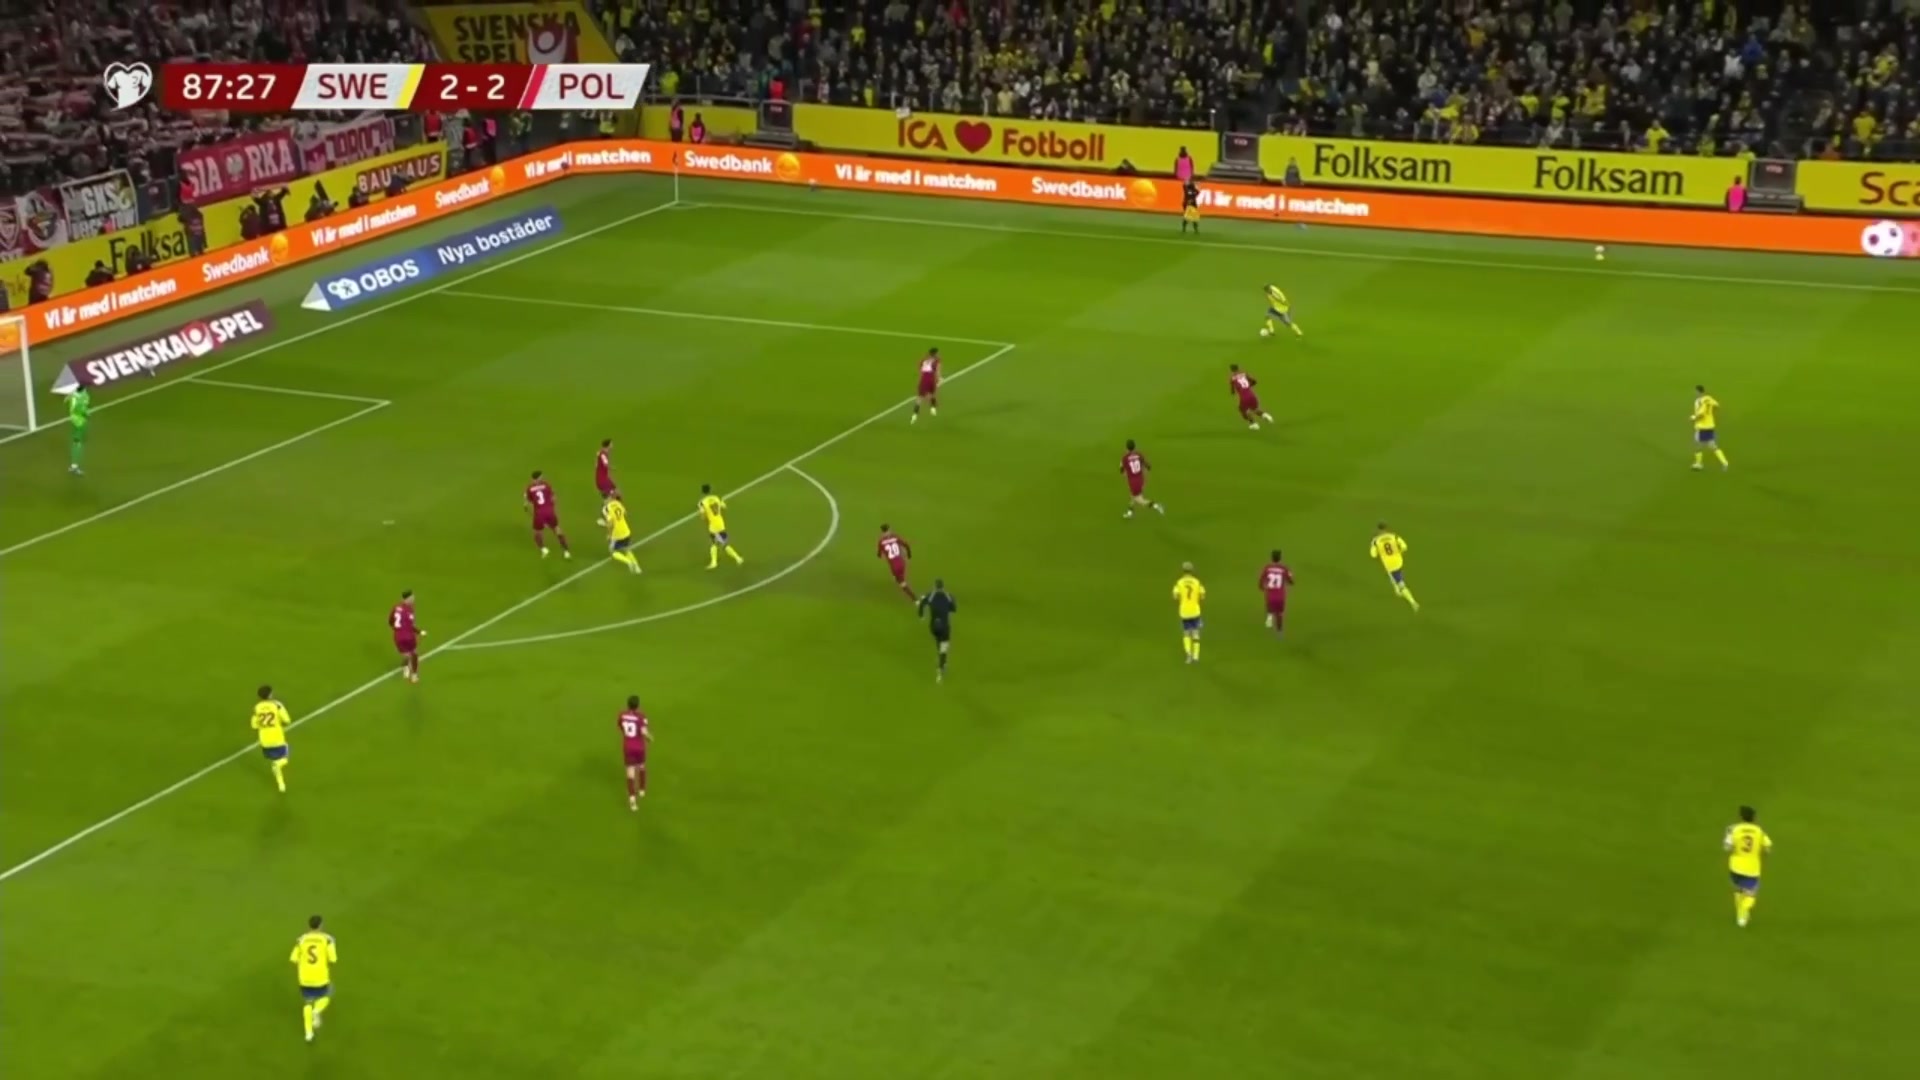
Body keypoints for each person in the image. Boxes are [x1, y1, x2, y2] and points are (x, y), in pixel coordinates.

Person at [291, 916, 338, 1042]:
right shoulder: (327, 940)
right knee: (328, 993)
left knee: (307, 1003)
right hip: (320, 977)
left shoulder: (302, 939)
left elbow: (293, 959)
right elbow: (333, 960)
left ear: (309, 926)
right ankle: (317, 1010)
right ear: (321, 925)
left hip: (304, 978)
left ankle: (309, 1034)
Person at [1724, 806, 1772, 927]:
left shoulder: (1734, 829)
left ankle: (1740, 914)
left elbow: (1727, 847)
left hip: (1735, 866)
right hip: (1751, 868)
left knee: (1739, 889)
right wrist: (1762, 852)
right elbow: (1767, 848)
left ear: (1740, 817)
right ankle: (1743, 912)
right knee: (1751, 893)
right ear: (1754, 818)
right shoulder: (1759, 831)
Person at [251, 685, 291, 793]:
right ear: (270, 695)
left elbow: (254, 725)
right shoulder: (277, 705)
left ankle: (281, 784)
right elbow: (287, 720)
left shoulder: (256, 708)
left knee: (274, 763)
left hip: (264, 741)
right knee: (284, 758)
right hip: (277, 738)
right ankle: (279, 764)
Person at [917, 578, 957, 681]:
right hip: (944, 626)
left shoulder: (930, 595)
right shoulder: (948, 596)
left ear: (935, 586)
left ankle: (942, 662)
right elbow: (954, 609)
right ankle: (940, 669)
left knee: (939, 641)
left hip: (933, 626)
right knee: (944, 646)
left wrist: (921, 615)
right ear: (943, 587)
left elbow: (922, 603)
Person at [1172, 562, 1206, 663]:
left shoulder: (1179, 583)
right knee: (1196, 633)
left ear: (1183, 571)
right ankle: (1196, 656)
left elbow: (1175, 596)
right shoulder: (1197, 582)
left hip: (1184, 611)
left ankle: (1188, 655)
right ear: (1192, 571)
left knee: (1186, 633)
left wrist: (1181, 601)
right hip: (1195, 611)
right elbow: (1202, 595)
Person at [1691, 385, 1729, 471]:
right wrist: (1710, 414)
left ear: (1698, 392)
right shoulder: (1708, 398)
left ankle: (1698, 464)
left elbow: (1701, 414)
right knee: (1712, 445)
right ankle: (1724, 462)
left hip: (1702, 427)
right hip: (1710, 425)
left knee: (1697, 445)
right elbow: (1717, 405)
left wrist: (1694, 418)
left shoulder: (1699, 401)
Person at [67, 385, 90, 475]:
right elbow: (82, 410)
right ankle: (74, 467)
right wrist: (87, 413)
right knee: (77, 443)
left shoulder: (74, 395)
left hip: (74, 420)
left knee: (77, 441)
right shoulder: (81, 398)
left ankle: (76, 442)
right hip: (79, 422)